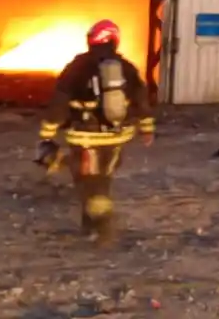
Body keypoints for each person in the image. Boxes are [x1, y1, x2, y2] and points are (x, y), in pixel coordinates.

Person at [37, 19, 155, 244]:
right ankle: (92, 226)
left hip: (84, 137)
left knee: (88, 182)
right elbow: (141, 99)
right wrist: (147, 129)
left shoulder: (77, 66)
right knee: (103, 179)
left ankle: (102, 228)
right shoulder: (126, 67)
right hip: (116, 137)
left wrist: (47, 134)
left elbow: (59, 103)